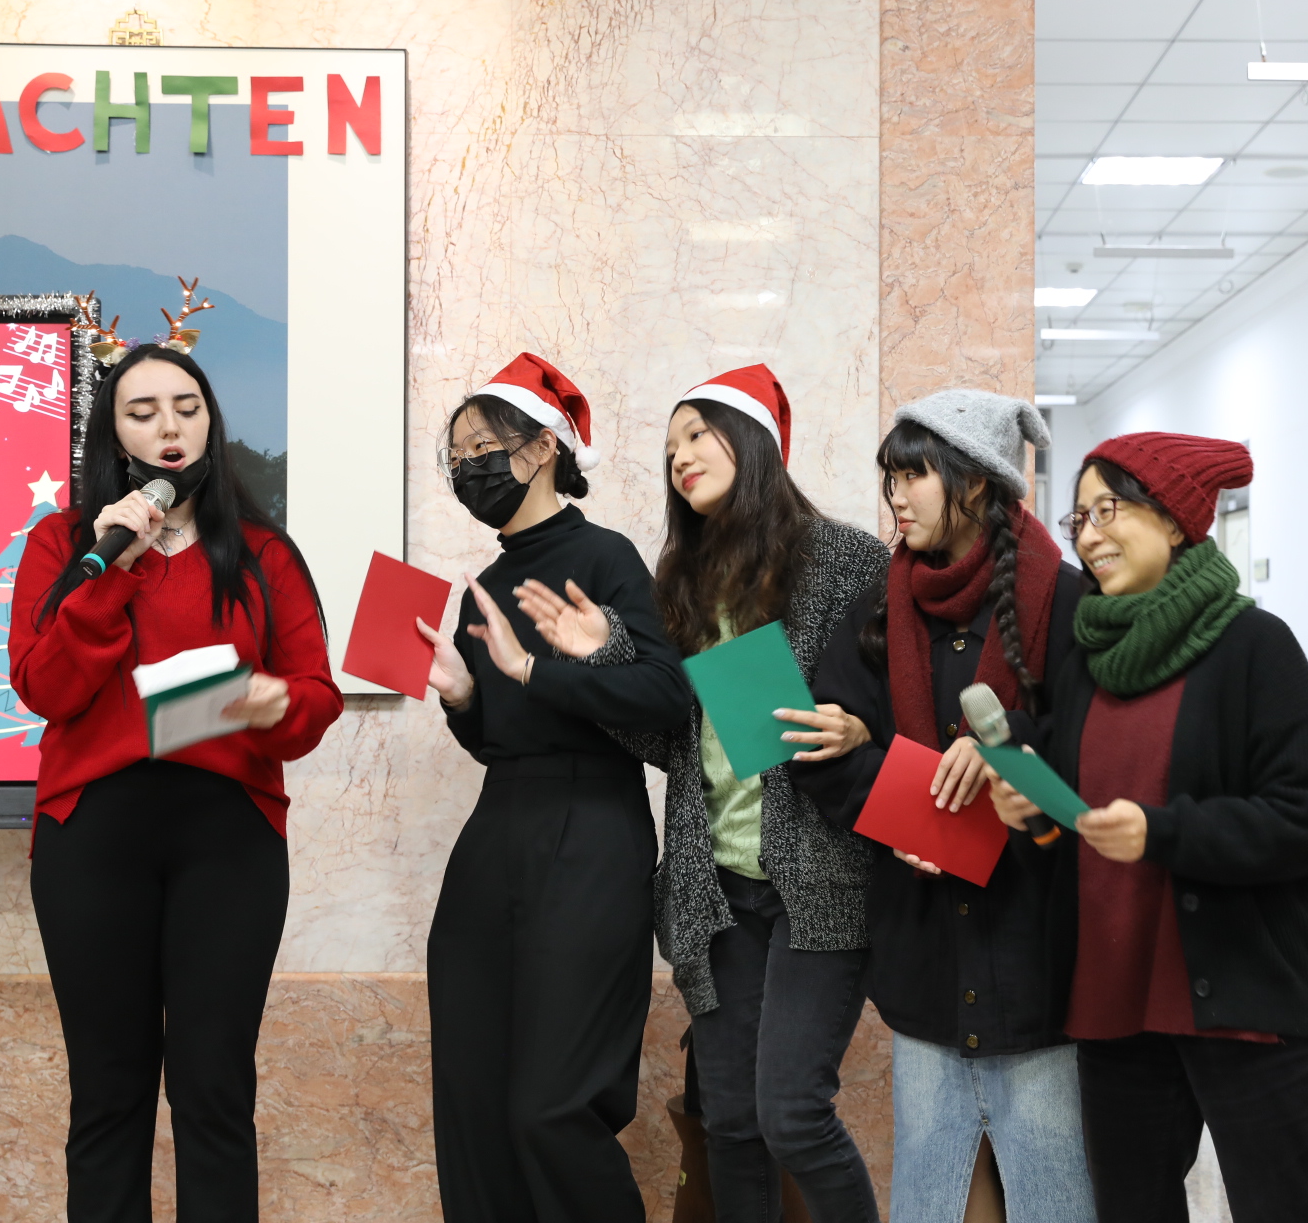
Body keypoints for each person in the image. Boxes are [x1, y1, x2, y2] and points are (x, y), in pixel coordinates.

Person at [519, 364, 888, 1222]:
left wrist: (863, 730)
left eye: (697, 433)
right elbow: (672, 743)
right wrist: (603, 658)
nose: (680, 456)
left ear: (754, 442)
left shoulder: (846, 559)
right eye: (670, 446)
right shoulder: (683, 576)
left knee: (793, 1116)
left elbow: (901, 698)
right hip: (714, 890)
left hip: (817, 880)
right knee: (729, 1124)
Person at [11, 336, 340, 1223]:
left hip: (227, 838)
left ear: (210, 425)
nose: (169, 427)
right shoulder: (65, 544)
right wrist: (112, 566)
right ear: (113, 436)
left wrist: (274, 702)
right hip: (93, 837)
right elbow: (44, 687)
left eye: (187, 409)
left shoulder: (263, 552)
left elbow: (315, 696)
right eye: (144, 411)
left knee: (214, 1090)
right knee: (108, 1092)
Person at [984, 433, 1308, 1223]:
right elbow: (1070, 831)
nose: (1088, 535)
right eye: (1079, 517)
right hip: (1114, 998)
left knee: (1285, 1205)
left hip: (1243, 998)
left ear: (1175, 521)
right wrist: (1032, 818)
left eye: (1108, 510)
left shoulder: (1256, 648)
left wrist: (1162, 833)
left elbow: (1304, 819)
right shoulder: (1086, 661)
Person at [793, 390, 1096, 1223]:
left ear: (976, 481)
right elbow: (822, 755)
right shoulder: (875, 613)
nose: (896, 496)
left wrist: (1008, 753)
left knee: (1055, 1200)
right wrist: (903, 809)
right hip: (925, 960)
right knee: (935, 1200)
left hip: (1038, 965)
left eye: (915, 476)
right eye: (890, 478)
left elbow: (1095, 755)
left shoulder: (1068, 606)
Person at [416, 353, 692, 1223]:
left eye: (482, 448)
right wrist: (464, 699)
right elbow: (501, 741)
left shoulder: (604, 556)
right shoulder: (484, 587)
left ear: (541, 449)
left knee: (553, 1108)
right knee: (473, 1100)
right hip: (496, 833)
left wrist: (539, 667)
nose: (468, 468)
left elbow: (667, 699)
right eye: (456, 456)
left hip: (593, 833)